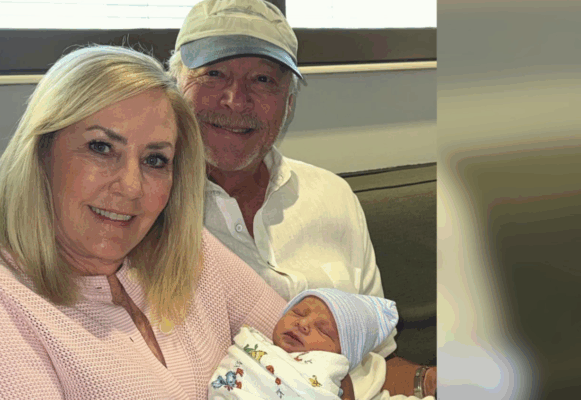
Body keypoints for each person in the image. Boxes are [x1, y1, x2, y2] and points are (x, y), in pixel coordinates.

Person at [0, 45, 294, 399]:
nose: (131, 187)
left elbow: (314, 356)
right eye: (101, 148)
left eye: (155, 160)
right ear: (42, 152)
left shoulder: (194, 252)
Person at [167, 0, 436, 398]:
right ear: (175, 86)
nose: (236, 100)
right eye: (214, 74)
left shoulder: (332, 194)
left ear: (289, 101)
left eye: (262, 80)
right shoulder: (148, 208)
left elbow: (374, 363)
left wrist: (429, 381)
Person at [210, 289, 418, 400]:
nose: (303, 323)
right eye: (298, 313)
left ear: (341, 357)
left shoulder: (338, 383)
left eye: (323, 329)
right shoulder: (254, 344)